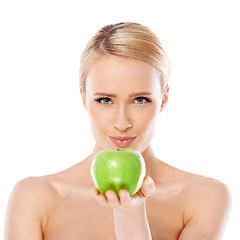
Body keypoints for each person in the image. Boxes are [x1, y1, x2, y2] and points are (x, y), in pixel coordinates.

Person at [4, 22, 230, 240]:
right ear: (84, 98)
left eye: (140, 100)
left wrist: (130, 215)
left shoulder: (204, 197)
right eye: (104, 100)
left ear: (164, 99)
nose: (122, 123)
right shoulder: (34, 198)